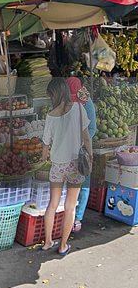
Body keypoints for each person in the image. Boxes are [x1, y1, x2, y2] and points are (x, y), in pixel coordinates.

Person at [40, 78, 92, 254]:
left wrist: (42, 159)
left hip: (57, 165)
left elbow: (46, 143)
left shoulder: (50, 115)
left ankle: (47, 242)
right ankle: (63, 246)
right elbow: (86, 137)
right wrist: (90, 156)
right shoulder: (78, 109)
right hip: (76, 164)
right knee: (70, 206)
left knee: (53, 204)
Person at [67, 77, 97, 233]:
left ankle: (77, 218)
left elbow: (92, 128)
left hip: (82, 147)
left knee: (83, 183)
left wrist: (82, 144)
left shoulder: (87, 102)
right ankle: (66, 216)